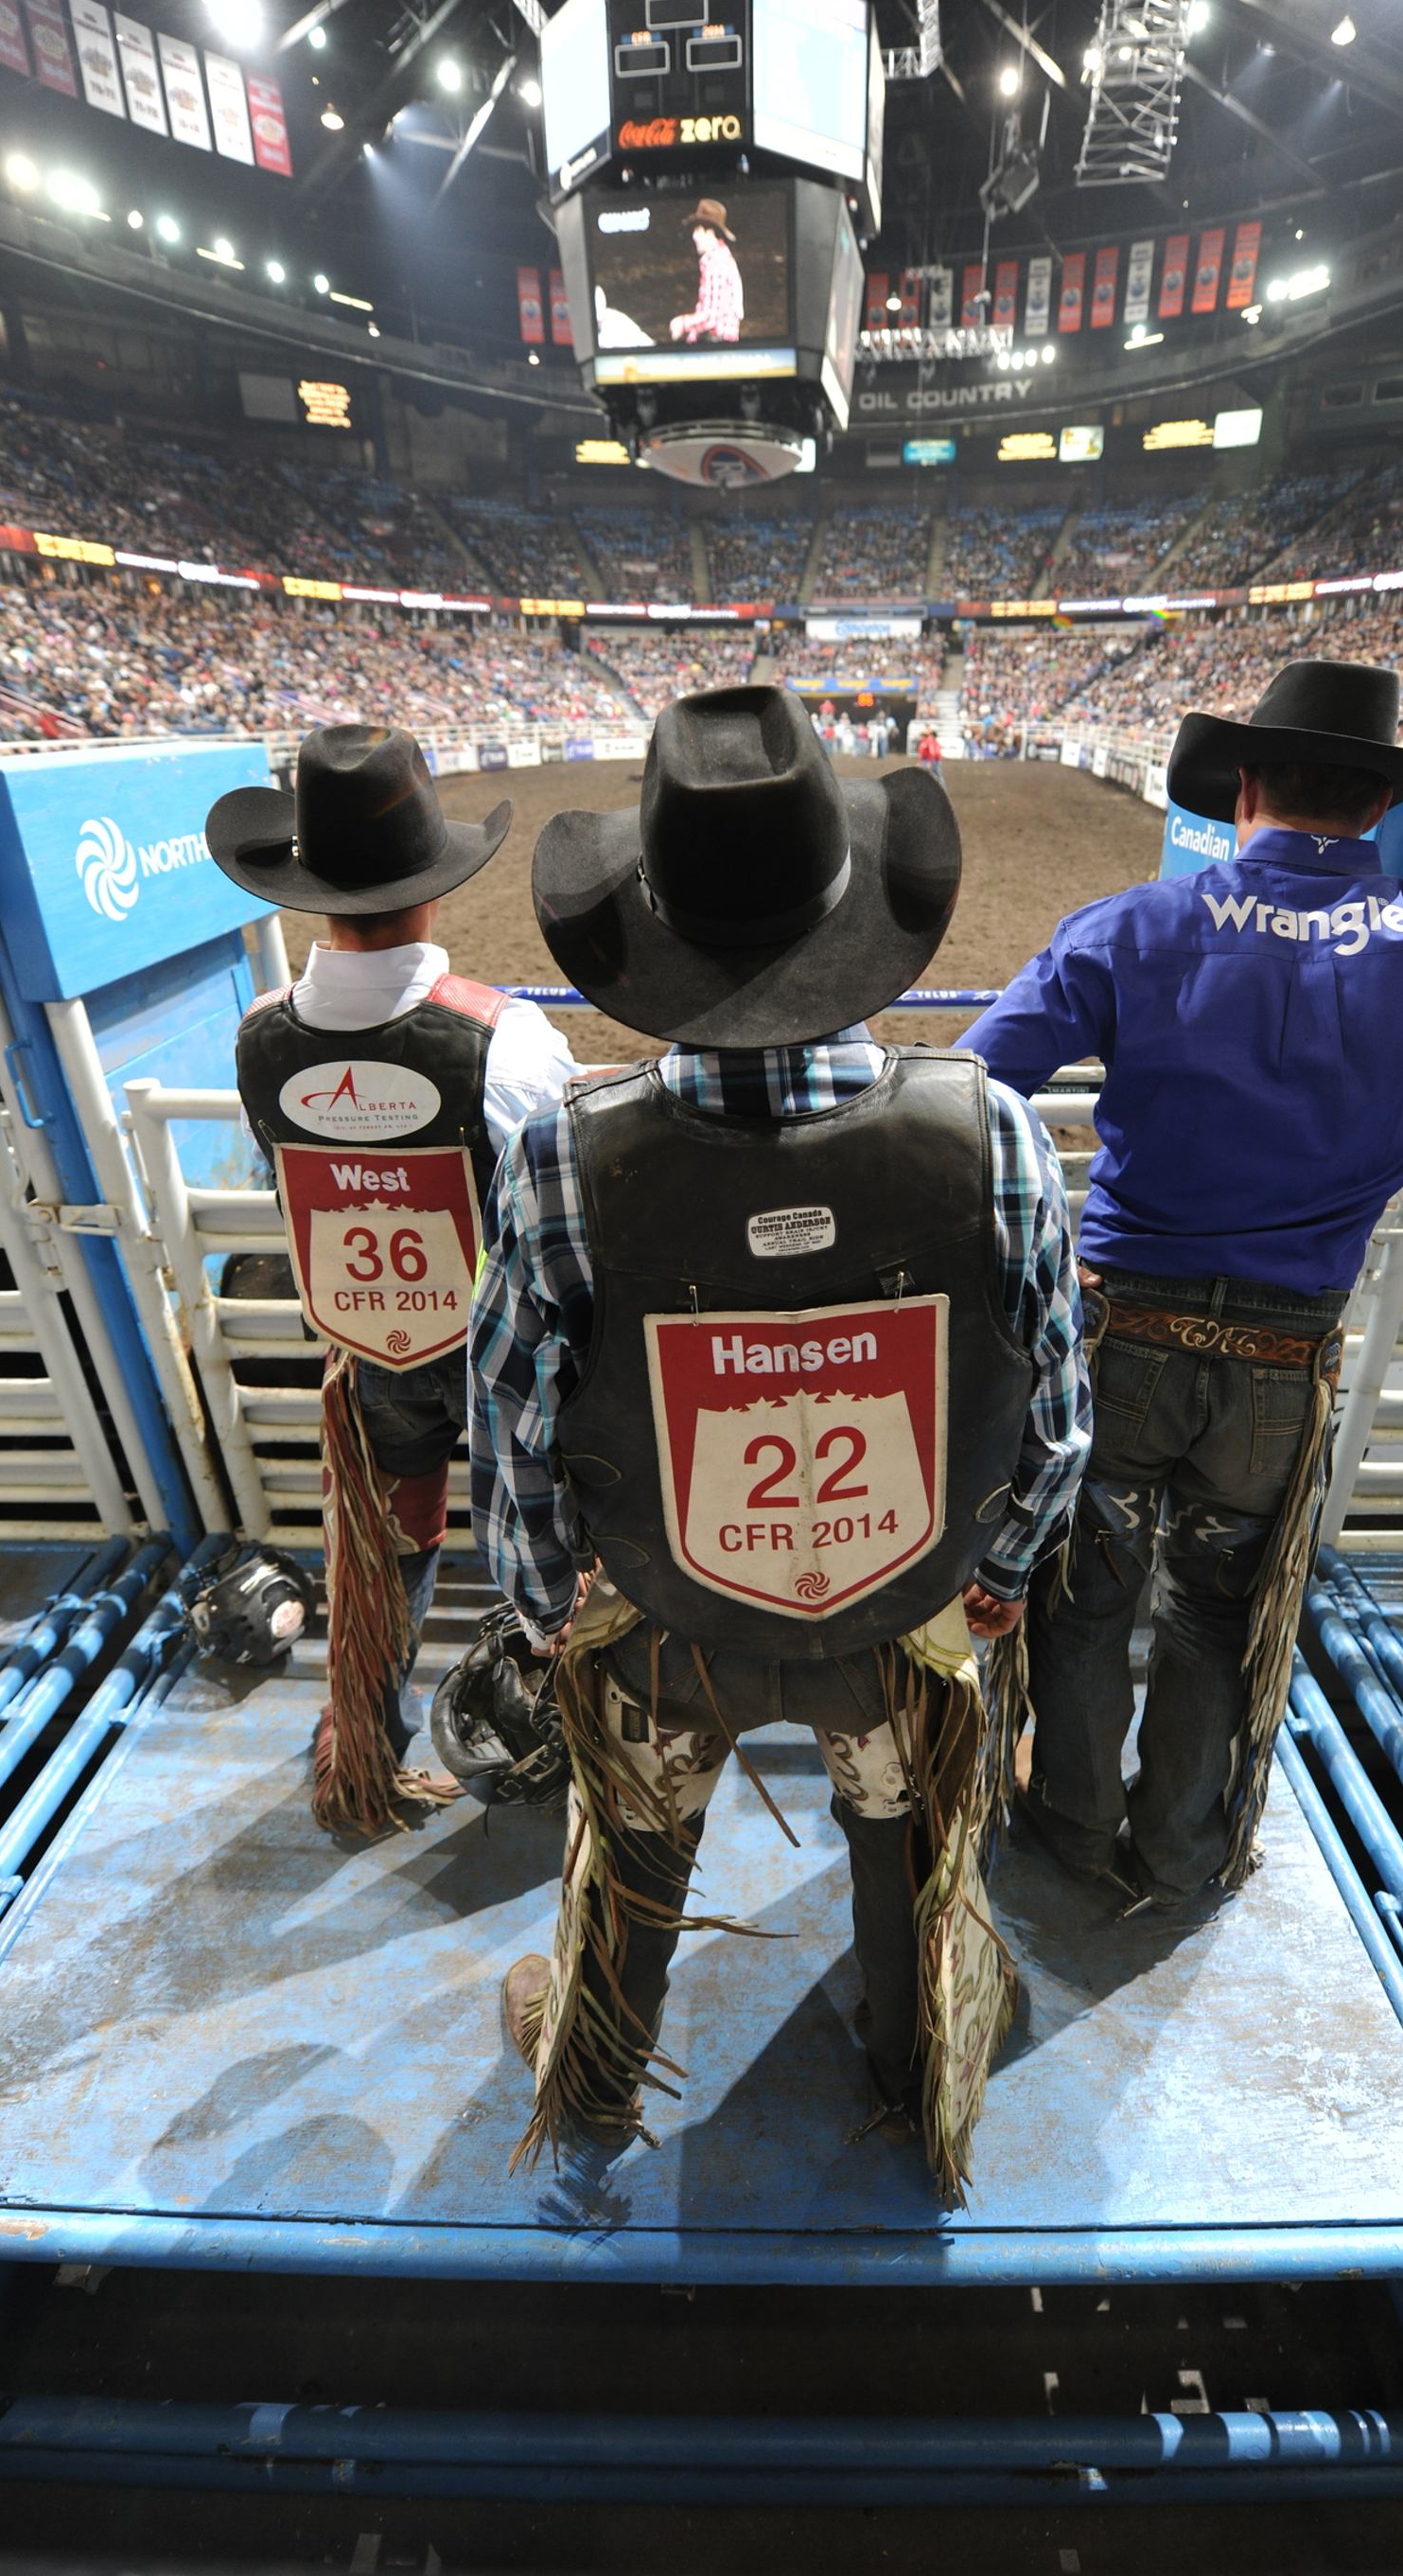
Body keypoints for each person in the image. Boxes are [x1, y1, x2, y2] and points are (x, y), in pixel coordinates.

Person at [469, 684, 1089, 2194]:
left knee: (633, 1856)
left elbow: (514, 1417)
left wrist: (555, 1610)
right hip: (904, 1612)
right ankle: (913, 2044)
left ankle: (602, 2083)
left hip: (661, 1618)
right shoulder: (988, 1126)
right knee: (909, 1847)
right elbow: (1061, 1412)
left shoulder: (572, 1156)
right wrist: (995, 1579)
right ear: (856, 916)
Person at [959, 656, 1403, 1914]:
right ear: (1380, 804)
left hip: (1119, 1336)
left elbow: (971, 1092)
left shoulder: (1136, 930)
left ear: (1243, 790)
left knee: (1087, 1599)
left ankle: (1068, 1829)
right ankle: (1183, 1847)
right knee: (1215, 1606)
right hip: (1284, 1357)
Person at [206, 724, 575, 1834]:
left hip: (367, 1350)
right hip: (504, 1359)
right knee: (542, 1552)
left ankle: (361, 1751)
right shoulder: (505, 1043)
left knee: (386, 1554)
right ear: (431, 891)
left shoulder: (260, 1037)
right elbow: (557, 1205)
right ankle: (551, 1739)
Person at [668, 199, 745, 344]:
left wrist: (682, 323)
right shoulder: (722, 259)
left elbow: (710, 317)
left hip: (717, 345)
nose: (694, 236)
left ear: (710, 232)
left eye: (698, 231)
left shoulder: (717, 263)